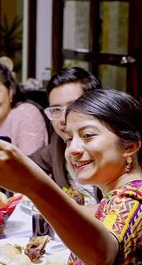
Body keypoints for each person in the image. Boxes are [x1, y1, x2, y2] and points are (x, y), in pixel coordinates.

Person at [0, 89, 142, 264]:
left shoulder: (131, 202)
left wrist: (34, 185)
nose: (72, 149)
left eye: (88, 135)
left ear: (130, 146)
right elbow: (95, 215)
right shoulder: (139, 190)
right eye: (69, 139)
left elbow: (102, 253)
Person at [29, 67, 102, 204]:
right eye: (56, 110)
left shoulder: (116, 150)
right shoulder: (58, 143)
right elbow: (27, 167)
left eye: (73, 106)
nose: (64, 118)